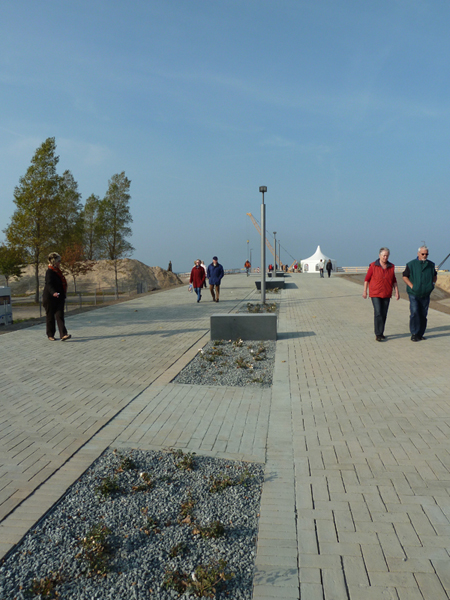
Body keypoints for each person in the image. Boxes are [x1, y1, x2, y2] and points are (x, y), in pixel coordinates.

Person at [362, 247, 399, 341]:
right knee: (378, 312)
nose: (385, 257)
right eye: (383, 255)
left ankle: (381, 332)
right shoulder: (373, 266)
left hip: (386, 293)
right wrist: (365, 291)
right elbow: (367, 279)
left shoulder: (391, 267)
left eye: (387, 256)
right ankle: (378, 334)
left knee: (384, 313)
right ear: (379, 256)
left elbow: (394, 280)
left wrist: (397, 292)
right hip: (375, 293)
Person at [402, 245, 437, 342]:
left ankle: (420, 334)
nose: (425, 256)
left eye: (426, 254)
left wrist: (432, 284)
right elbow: (405, 276)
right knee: (414, 312)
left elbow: (435, 275)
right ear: (418, 254)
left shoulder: (431, 265)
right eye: (423, 254)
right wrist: (412, 286)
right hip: (414, 293)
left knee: (423, 314)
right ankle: (414, 333)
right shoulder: (411, 264)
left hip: (426, 293)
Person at [42, 252, 71, 341]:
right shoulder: (49, 272)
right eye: (59, 261)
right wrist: (53, 292)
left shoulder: (58, 271)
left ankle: (63, 334)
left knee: (60, 315)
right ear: (54, 261)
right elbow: (49, 284)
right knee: (50, 316)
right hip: (50, 298)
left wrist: (60, 294)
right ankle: (50, 335)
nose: (60, 263)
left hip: (59, 297)